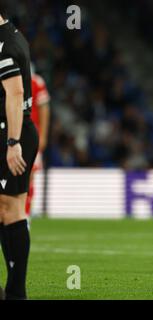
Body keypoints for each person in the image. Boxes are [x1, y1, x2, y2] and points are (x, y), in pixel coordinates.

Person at [0, 14, 38, 299]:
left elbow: (15, 93)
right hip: (13, 131)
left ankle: (16, 292)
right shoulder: (12, 33)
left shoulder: (5, 44)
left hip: (13, 133)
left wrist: (13, 142)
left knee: (11, 210)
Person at [26, 65, 50, 217]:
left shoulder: (36, 82)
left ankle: (25, 214)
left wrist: (43, 136)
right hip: (10, 135)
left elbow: (44, 109)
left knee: (30, 175)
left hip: (30, 136)